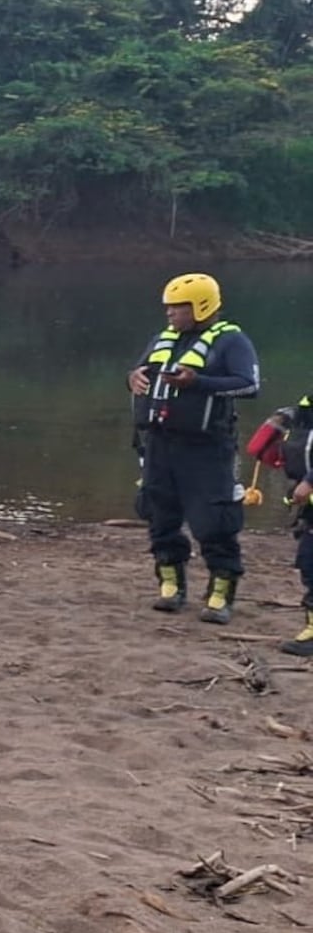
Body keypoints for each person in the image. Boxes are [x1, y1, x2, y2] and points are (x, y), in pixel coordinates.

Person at [127, 272, 260, 625]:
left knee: (214, 521)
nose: (170, 313)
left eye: (178, 307)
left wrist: (199, 382)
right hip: (159, 444)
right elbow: (140, 371)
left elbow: (249, 385)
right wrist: (132, 378)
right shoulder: (163, 338)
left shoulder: (231, 341)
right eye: (168, 307)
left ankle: (220, 593)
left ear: (201, 306)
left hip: (207, 448)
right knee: (160, 515)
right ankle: (171, 585)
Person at [244, 398, 313, 655]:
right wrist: (278, 422)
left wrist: (309, 482)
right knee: (309, 564)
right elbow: (260, 451)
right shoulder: (302, 413)